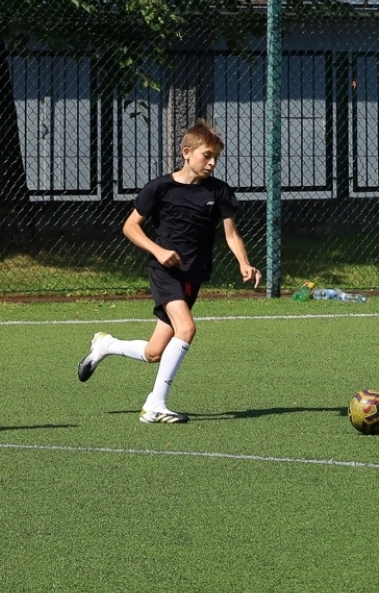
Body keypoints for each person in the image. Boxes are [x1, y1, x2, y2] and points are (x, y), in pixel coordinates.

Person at [77, 121, 261, 421]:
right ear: (186, 152)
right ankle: (155, 405)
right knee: (187, 329)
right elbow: (130, 226)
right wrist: (159, 251)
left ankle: (106, 345)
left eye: (216, 157)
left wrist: (243, 262)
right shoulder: (159, 188)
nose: (212, 162)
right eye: (207, 155)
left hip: (193, 276)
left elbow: (231, 233)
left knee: (154, 353)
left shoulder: (219, 191)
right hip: (165, 273)